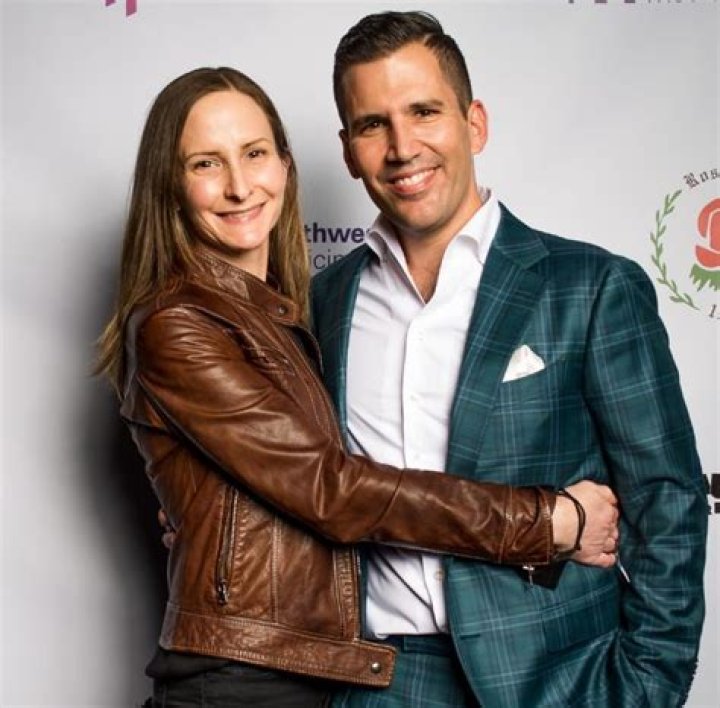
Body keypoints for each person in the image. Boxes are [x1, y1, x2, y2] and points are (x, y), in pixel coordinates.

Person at [96, 67, 619, 707]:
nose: (238, 185)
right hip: (241, 676)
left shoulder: (292, 313)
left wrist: (207, 519)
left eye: (254, 154)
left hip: (311, 667)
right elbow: (332, 488)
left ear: (286, 165)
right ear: (171, 186)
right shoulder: (178, 324)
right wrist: (548, 521)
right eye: (206, 163)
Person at [311, 11, 708, 708]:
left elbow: (667, 500)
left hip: (560, 678)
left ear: (475, 124)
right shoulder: (325, 303)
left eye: (424, 112)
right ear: (348, 151)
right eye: (373, 124)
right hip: (377, 681)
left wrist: (648, 685)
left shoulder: (589, 287)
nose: (402, 147)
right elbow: (305, 481)